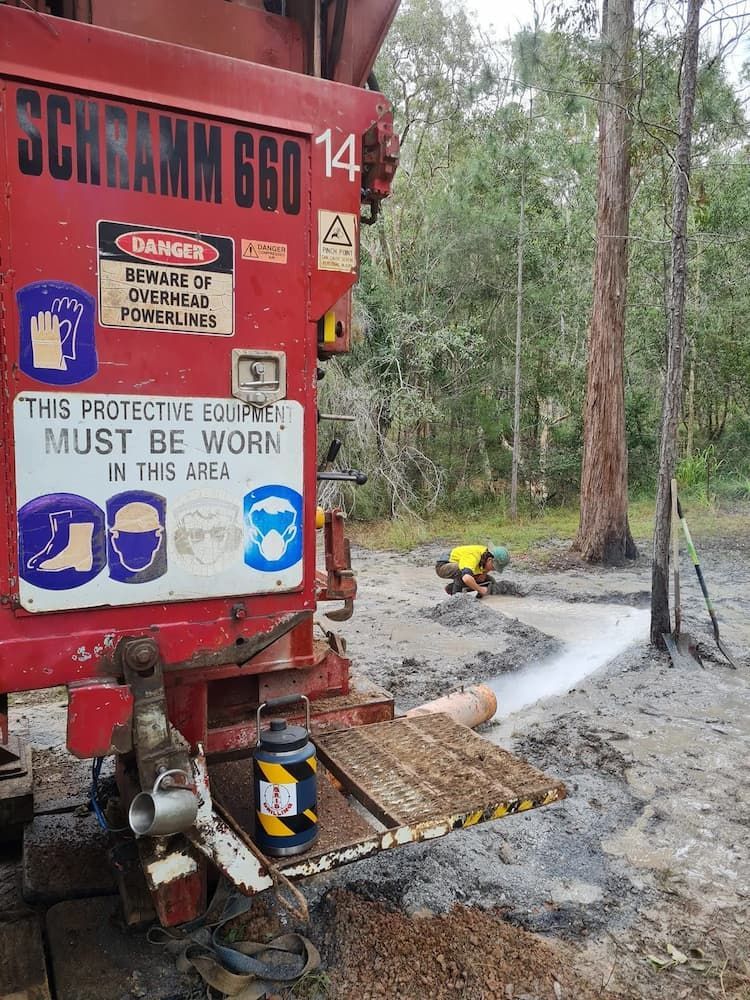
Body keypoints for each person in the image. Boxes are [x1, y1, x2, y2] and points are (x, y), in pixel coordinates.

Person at [435, 544, 510, 598]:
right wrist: (481, 590)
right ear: (490, 560)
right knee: (462, 571)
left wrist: (484, 573)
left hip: (464, 567)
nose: (493, 570)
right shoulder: (473, 556)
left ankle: (451, 589)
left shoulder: (486, 556)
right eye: (494, 567)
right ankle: (456, 597)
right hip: (444, 566)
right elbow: (466, 578)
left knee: (490, 582)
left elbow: (485, 566)